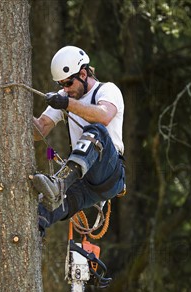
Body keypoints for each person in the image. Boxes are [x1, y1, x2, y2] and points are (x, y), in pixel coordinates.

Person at [31, 45, 125, 236]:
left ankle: (60, 183)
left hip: (109, 170)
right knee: (43, 208)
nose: (65, 89)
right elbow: (39, 130)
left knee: (96, 129)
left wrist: (66, 104)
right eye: (61, 85)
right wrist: (18, 109)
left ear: (83, 73)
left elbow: (104, 116)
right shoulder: (66, 97)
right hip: (84, 180)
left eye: (68, 84)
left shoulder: (107, 90)